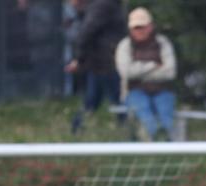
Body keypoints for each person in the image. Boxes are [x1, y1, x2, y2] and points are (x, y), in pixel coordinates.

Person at [114, 7, 176, 141]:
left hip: (162, 90)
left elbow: (169, 72)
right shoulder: (125, 46)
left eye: (142, 26)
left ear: (150, 26)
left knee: (166, 121)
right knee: (148, 120)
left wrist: (140, 73)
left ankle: (166, 149)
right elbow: (126, 72)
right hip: (134, 91)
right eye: (136, 27)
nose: (139, 31)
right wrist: (153, 66)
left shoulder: (163, 43)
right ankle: (149, 148)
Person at [64, 0, 125, 134]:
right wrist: (79, 59)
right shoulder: (104, 5)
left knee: (93, 101)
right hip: (106, 62)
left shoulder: (101, 6)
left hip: (100, 62)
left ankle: (77, 129)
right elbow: (86, 32)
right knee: (119, 101)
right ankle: (130, 134)